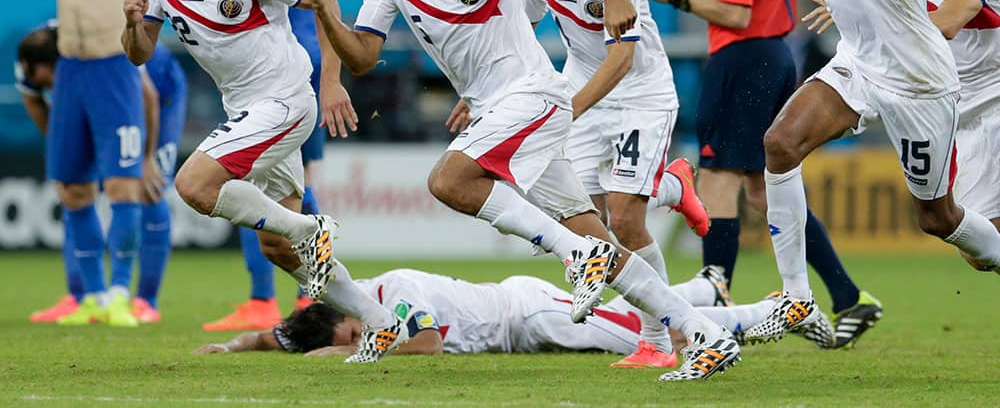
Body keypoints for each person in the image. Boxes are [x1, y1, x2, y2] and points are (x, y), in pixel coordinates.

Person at [306, 0, 741, 381]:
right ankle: (706, 336)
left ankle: (578, 257)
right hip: (500, 108)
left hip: (534, 95)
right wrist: (326, 9)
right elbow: (362, 57)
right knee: (599, 237)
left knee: (450, 180)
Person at [120, 0, 401, 363]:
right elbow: (140, 51)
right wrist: (131, 20)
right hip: (244, 106)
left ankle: (311, 230)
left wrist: (331, 82)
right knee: (278, 248)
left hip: (286, 101)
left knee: (194, 185)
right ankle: (380, 323)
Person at [744, 0, 1000, 345]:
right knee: (779, 144)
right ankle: (797, 296)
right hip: (858, 64)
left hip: (922, 81)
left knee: (937, 217)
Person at [642, 0, 879, 349]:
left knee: (718, 175)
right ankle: (845, 296)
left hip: (743, 57)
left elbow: (735, 10)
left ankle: (717, 289)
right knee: (763, 189)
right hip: (773, 56)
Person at [509, 0, 713, 368]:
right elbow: (514, 34)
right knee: (586, 221)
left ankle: (659, 342)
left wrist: (565, 112)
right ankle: (673, 186)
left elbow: (622, 59)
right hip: (582, 87)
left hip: (640, 94)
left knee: (624, 218)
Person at [803, 0, 1000, 272]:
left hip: (997, 95)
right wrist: (852, 9)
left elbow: (947, 22)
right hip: (958, 111)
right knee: (979, 251)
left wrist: (880, 20)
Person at [203, 0, 358, 331]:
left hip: (280, 56)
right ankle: (309, 293)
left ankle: (264, 297)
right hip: (313, 44)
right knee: (290, 180)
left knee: (253, 178)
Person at [0, 0, 162, 327]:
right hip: (70, 68)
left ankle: (119, 293)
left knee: (121, 186)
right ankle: (91, 296)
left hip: (114, 67)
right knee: (71, 189)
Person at [193, 267, 776, 358]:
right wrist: (236, 345)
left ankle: (762, 313)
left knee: (647, 337)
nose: (361, 335)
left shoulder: (392, 291)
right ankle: (704, 287)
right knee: (630, 313)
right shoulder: (348, 301)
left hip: (527, 315)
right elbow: (284, 335)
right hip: (518, 313)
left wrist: (344, 351)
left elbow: (423, 345)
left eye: (354, 331)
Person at [16, 23, 187, 323]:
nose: (49, 87)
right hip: (102, 97)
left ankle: (146, 299)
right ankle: (82, 295)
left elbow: (147, 96)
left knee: (149, 186)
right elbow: (33, 100)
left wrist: (145, 157)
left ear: (53, 64)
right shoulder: (37, 58)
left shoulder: (104, 44)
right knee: (74, 188)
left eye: (50, 79)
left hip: (160, 94)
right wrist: (64, 149)